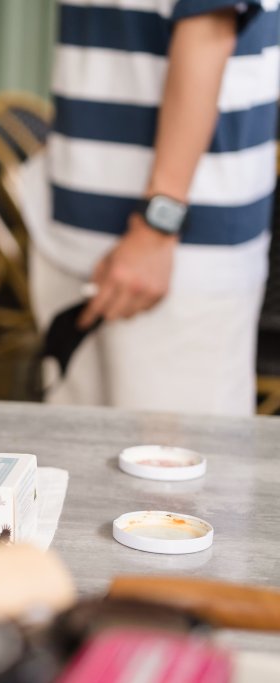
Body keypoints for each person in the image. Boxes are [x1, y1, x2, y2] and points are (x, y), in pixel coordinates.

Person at [30, 0, 278, 416]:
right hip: (82, 239)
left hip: (174, 255)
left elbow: (208, 31)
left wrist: (158, 225)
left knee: (177, 470)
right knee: (76, 459)